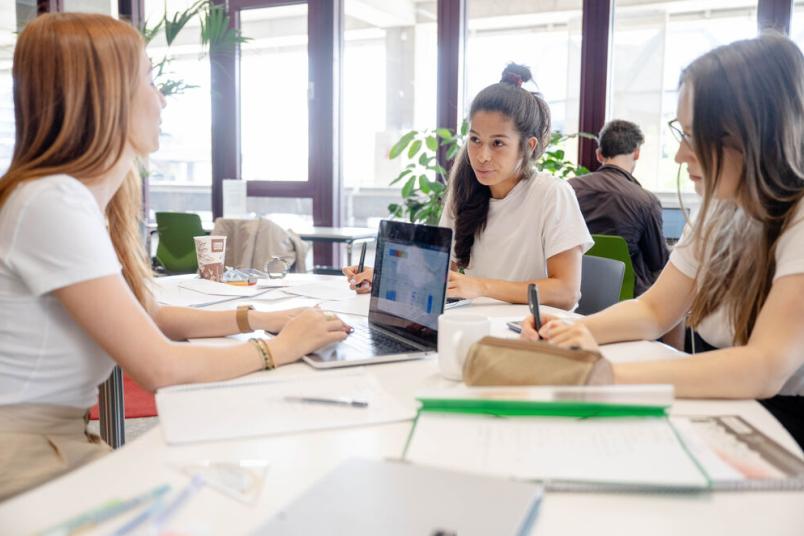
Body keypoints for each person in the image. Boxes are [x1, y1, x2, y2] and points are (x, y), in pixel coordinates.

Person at [0, 13, 350, 501]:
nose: (161, 99)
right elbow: (159, 368)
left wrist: (263, 316)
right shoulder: (50, 202)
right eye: (148, 79)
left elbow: (152, 315)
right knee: (243, 494)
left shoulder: (73, 200)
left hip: (54, 443)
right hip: (27, 457)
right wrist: (281, 347)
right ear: (104, 95)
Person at [522, 34, 804, 447]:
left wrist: (603, 374)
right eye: (683, 133)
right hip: (722, 408)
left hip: (782, 432)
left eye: (694, 136)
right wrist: (568, 332)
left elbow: (763, 367)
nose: (680, 156)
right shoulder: (720, 211)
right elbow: (655, 309)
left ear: (753, 135)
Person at [345, 64, 592, 307]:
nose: (482, 155)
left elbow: (566, 292)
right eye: (475, 140)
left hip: (530, 333)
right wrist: (384, 278)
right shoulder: (464, 192)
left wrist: (480, 286)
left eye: (497, 143)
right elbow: (440, 278)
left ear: (528, 147)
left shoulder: (552, 194)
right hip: (475, 326)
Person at [570, 119, 668, 296]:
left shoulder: (568, 189)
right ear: (636, 153)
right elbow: (658, 262)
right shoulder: (646, 201)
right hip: (625, 301)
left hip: (572, 292)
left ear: (599, 155)